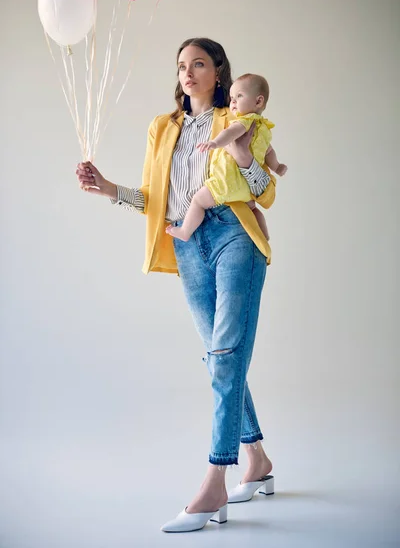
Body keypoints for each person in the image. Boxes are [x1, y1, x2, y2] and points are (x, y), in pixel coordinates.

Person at [76, 38, 277, 533]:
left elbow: (265, 191)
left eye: (199, 64)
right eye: (182, 65)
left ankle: (214, 480)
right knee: (218, 355)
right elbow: (157, 198)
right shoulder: (161, 128)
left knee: (227, 354)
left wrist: (242, 152)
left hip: (234, 234)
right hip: (187, 243)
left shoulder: (238, 117)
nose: (188, 73)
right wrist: (109, 190)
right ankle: (257, 460)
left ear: (218, 72)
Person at [166, 72, 287, 243]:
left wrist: (214, 143)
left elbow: (230, 133)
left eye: (239, 96)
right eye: (232, 98)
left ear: (258, 101)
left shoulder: (244, 121)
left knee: (198, 201)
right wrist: (277, 166)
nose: (234, 102)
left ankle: (185, 230)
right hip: (246, 190)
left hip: (226, 181)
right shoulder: (264, 129)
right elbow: (268, 152)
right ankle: (264, 237)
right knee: (253, 210)